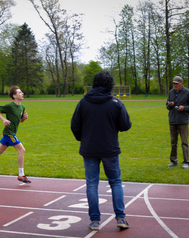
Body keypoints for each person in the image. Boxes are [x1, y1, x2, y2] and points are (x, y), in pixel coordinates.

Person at [71, 71, 132, 230]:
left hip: (89, 148)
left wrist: (83, 139)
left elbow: (74, 126)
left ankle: (94, 220)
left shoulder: (84, 102)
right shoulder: (115, 102)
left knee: (92, 184)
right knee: (115, 182)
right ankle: (120, 217)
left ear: (94, 83)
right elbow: (126, 125)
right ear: (110, 85)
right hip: (109, 149)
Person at [166, 76, 189, 169]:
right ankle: (174, 161)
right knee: (173, 142)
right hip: (172, 120)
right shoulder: (171, 92)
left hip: (183, 121)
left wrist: (184, 108)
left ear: (182, 83)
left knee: (184, 142)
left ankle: (186, 162)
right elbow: (167, 106)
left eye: (177, 83)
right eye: (174, 83)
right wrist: (170, 105)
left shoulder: (187, 92)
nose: (175, 85)